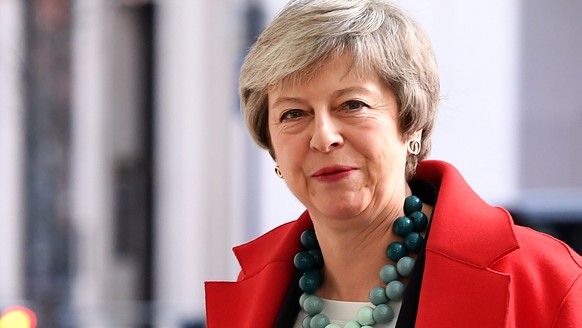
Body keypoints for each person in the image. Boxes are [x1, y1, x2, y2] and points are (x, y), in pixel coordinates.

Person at [205, 0, 582, 327]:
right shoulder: (252, 290)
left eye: (352, 105)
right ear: (272, 147)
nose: (323, 137)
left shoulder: (550, 282)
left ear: (410, 122)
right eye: (292, 114)